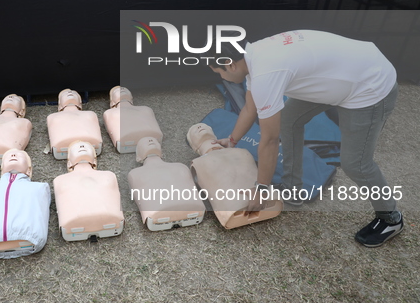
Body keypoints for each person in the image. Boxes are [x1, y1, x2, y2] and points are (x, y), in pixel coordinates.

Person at [208, 29, 401, 247]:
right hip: (342, 75)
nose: (221, 77)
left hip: (370, 85)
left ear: (231, 64)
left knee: (356, 163)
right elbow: (249, 109)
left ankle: (390, 217)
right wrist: (231, 140)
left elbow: (269, 139)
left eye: (219, 72)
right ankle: (293, 189)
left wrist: (261, 189)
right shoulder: (253, 56)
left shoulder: (265, 71)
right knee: (289, 120)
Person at [186, 123, 282, 229]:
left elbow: (270, 140)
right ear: (194, 146)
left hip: (263, 200)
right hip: (234, 209)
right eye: (194, 130)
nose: (200, 127)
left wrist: (261, 190)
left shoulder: (243, 152)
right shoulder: (198, 163)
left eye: (205, 127)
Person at [0, 149, 51, 259]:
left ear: (29, 170)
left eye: (20, 156)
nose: (14, 155)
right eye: (9, 156)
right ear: (2, 170)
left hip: (30, 238)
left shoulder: (40, 188)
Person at [128, 136, 205, 231]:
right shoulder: (181, 167)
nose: (150, 141)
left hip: (160, 217)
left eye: (153, 141)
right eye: (145, 143)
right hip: (193, 212)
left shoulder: (135, 174)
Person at [53, 140, 124, 241]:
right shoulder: (109, 175)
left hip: (72, 226)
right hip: (112, 222)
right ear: (94, 162)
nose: (82, 148)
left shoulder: (59, 180)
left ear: (69, 163)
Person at [103, 86, 163, 154]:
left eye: (124, 89)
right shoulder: (110, 113)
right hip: (150, 140)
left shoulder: (146, 109)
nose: (122, 90)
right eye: (117, 91)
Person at [46, 89, 102, 160]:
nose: (70, 93)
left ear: (80, 104)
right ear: (59, 105)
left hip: (65, 146)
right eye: (65, 94)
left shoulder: (90, 114)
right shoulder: (52, 117)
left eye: (74, 93)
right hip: (63, 145)